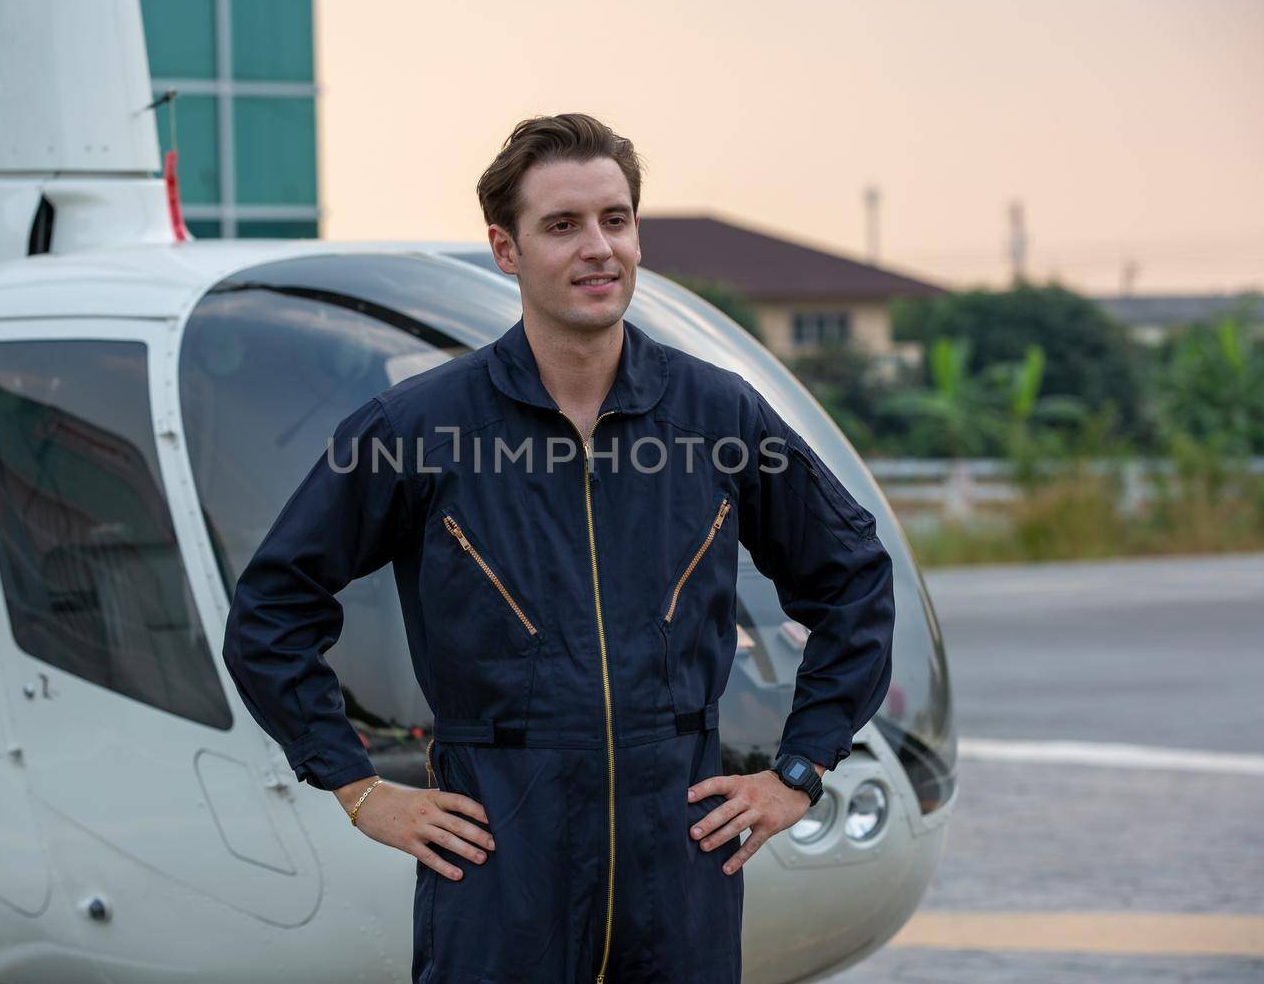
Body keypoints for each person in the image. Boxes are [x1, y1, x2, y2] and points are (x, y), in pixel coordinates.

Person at [222, 113, 895, 984]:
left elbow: (853, 579)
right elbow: (272, 609)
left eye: (616, 220)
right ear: (507, 250)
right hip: (501, 861)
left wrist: (797, 769)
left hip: (680, 864)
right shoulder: (415, 429)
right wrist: (356, 787)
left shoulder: (719, 416)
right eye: (563, 225)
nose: (599, 249)